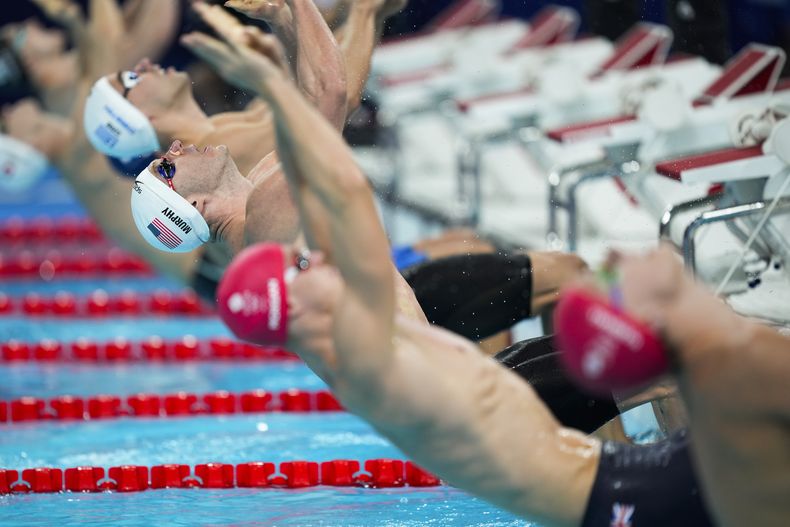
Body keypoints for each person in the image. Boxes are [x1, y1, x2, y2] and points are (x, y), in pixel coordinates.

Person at [212, 29, 716, 527]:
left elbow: (334, 150)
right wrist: (273, 80)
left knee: (662, 361)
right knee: (670, 370)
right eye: (300, 268)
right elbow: (341, 171)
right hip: (523, 450)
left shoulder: (351, 345)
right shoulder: (361, 341)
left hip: (509, 434)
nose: (315, 259)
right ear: (294, 306)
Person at [556, 247, 790, 527]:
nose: (615, 255)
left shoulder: (714, 373)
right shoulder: (740, 368)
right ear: (646, 319)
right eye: (610, 277)